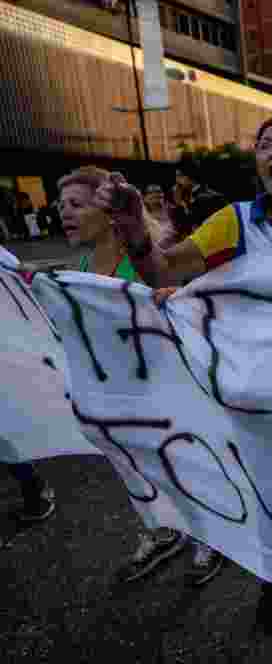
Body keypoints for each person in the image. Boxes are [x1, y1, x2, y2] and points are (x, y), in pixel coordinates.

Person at [97, 114, 272, 634]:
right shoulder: (234, 222)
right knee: (268, 494)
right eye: (264, 146)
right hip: (252, 394)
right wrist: (134, 229)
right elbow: (163, 271)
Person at [53, 165, 197, 584]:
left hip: (163, 392)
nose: (65, 213)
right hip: (115, 394)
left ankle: (209, 538)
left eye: (77, 205)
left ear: (108, 210)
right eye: (62, 206)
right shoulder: (76, 269)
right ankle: (160, 528)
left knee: (182, 466)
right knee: (135, 467)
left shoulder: (147, 261)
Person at [169, 162, 228, 243]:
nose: (177, 180)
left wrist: (183, 206)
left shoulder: (210, 197)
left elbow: (195, 223)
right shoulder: (184, 196)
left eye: (179, 176)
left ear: (190, 176)